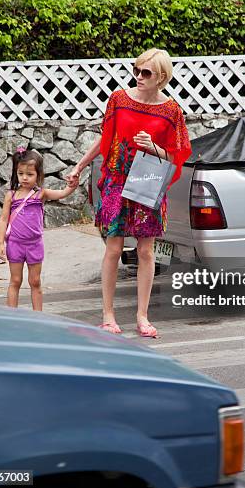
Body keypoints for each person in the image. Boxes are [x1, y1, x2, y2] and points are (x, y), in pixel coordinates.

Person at [66, 48, 191, 338]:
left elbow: (177, 155)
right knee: (113, 248)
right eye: (136, 69)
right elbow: (105, 138)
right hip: (116, 182)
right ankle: (108, 316)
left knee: (146, 251)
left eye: (145, 72)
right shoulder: (119, 100)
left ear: (161, 77)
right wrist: (79, 166)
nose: (138, 76)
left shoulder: (171, 111)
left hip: (147, 182)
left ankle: (142, 317)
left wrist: (153, 147)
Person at [0, 147, 79, 311]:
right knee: (15, 281)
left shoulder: (41, 194)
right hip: (15, 244)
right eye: (21, 174)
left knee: (35, 281)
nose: (25, 178)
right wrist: (0, 243)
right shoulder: (11, 195)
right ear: (16, 173)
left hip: (35, 245)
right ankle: (11, 317)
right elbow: (4, 219)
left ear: (39, 175)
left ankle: (38, 317)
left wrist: (73, 185)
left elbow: (63, 193)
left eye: (30, 174)